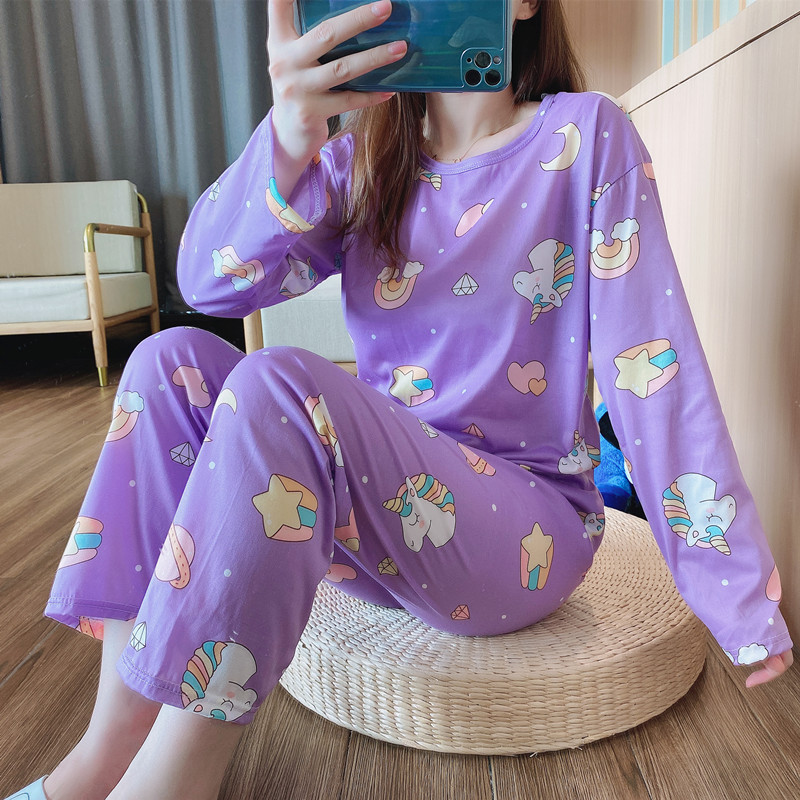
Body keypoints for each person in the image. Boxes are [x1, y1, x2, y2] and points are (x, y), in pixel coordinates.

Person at [5, 1, 793, 799]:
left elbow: (652, 364)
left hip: (525, 528)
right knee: (165, 362)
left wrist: (739, 599)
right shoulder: (361, 164)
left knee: (280, 385)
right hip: (380, 519)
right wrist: (287, 137)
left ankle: (172, 786)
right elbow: (210, 285)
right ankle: (101, 756)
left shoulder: (585, 136)